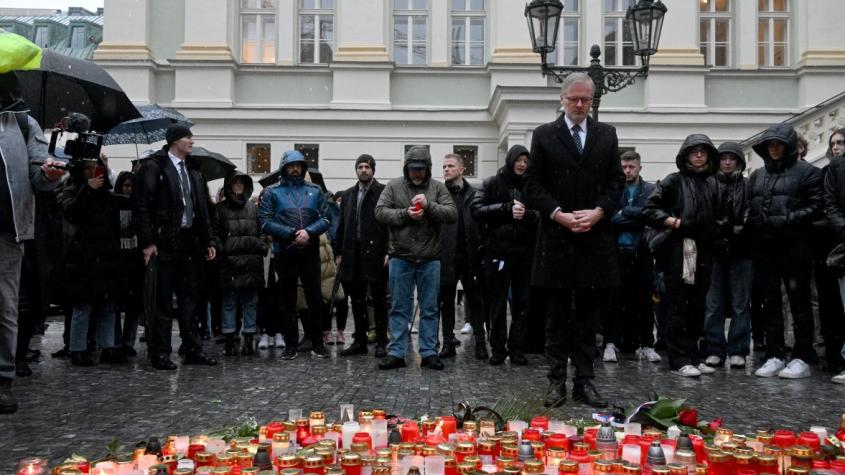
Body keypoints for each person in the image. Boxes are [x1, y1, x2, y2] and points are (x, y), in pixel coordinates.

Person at [524, 73, 624, 408]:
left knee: (587, 319)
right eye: (574, 99)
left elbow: (615, 184)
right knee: (556, 318)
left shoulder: (606, 135)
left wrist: (598, 212)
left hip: (593, 239)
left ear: (591, 100)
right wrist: (558, 214)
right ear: (562, 99)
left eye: (585, 100)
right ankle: (556, 381)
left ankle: (585, 381)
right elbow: (533, 185)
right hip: (557, 238)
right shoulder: (544, 135)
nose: (580, 105)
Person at [0, 72, 67, 413]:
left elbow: (40, 175)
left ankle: (3, 380)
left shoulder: (23, 123)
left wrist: (51, 174)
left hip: (7, 232)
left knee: (5, 308)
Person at [132, 124, 218, 370]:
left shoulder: (193, 171)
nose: (192, 141)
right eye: (187, 137)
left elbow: (202, 209)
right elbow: (142, 206)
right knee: (162, 301)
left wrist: (208, 240)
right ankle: (159, 351)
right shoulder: (154, 166)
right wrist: (148, 242)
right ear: (174, 141)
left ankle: (192, 347)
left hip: (189, 243)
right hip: (163, 243)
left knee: (190, 298)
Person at [747, 124, 822, 379]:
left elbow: (816, 206)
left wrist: (788, 219)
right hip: (764, 247)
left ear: (789, 146)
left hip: (794, 246)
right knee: (770, 302)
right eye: (770, 145)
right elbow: (749, 204)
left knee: (799, 302)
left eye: (779, 144)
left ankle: (801, 356)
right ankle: (774, 354)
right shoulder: (757, 175)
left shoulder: (808, 173)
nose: (774, 149)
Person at [375, 146, 457, 370]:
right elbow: (380, 212)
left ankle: (429, 353)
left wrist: (429, 206)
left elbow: (452, 214)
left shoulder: (437, 188)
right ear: (406, 168)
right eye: (413, 169)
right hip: (400, 257)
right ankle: (396, 352)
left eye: (421, 169)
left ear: (428, 169)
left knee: (430, 308)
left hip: (430, 258)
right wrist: (405, 214)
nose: (417, 173)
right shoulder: (393, 186)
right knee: (399, 307)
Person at [643, 134, 718, 378]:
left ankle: (694, 356)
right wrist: (674, 221)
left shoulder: (712, 182)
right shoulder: (673, 181)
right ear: (686, 154)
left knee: (698, 305)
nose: (698, 155)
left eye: (703, 151)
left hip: (705, 248)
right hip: (680, 249)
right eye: (694, 151)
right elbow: (650, 209)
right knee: (678, 304)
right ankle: (678, 359)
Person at [258, 150, 332, 359]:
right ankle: (291, 344)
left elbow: (326, 218)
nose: (295, 169)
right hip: (285, 252)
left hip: (310, 251)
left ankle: (318, 342)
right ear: (284, 168)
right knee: (287, 300)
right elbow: (264, 221)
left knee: (315, 298)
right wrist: (291, 233)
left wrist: (308, 232)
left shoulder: (315, 190)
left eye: (299, 165)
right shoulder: (273, 192)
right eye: (291, 166)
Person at [471, 145, 538, 364]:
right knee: (497, 302)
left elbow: (542, 214)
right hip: (498, 251)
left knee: (522, 302)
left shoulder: (532, 184)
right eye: (518, 160)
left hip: (524, 253)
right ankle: (498, 348)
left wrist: (526, 214)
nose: (522, 165)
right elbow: (477, 210)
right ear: (510, 161)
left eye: (525, 161)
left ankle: (517, 346)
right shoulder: (493, 182)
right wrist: (505, 208)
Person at [58, 158, 128, 367]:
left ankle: (107, 346)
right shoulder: (71, 192)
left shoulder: (106, 196)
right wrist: (86, 190)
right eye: (88, 169)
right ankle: (78, 348)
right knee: (83, 306)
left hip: (106, 257)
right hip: (83, 259)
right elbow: (72, 212)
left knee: (108, 305)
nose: (93, 172)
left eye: (95, 168)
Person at [701, 142, 752, 370]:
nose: (728, 162)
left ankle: (738, 349)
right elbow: (705, 213)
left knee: (741, 303)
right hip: (714, 250)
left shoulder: (747, 185)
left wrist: (739, 229)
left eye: (732, 158)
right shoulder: (709, 184)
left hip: (741, 250)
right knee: (714, 303)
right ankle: (714, 348)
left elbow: (751, 212)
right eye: (724, 158)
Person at [333, 155, 390, 358]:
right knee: (355, 300)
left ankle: (382, 340)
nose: (363, 170)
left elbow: (389, 225)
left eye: (367, 167)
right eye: (360, 167)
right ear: (356, 170)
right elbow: (341, 226)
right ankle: (360, 340)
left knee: (379, 299)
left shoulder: (383, 192)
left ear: (373, 169)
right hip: (352, 253)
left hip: (375, 253)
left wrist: (388, 251)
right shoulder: (348, 195)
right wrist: (338, 252)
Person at [606, 151, 659, 363]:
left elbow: (649, 215)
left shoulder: (649, 190)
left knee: (644, 301)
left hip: (642, 251)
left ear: (639, 168)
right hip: (617, 252)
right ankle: (611, 343)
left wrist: (624, 212)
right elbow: (609, 218)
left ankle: (646, 344)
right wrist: (634, 216)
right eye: (624, 167)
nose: (627, 171)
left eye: (631, 167)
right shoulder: (614, 189)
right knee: (614, 300)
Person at [213, 172, 268, 356]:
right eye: (234, 182)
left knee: (250, 302)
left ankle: (249, 338)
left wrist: (260, 245)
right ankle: (229, 340)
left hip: (251, 262)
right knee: (229, 303)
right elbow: (214, 234)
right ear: (228, 186)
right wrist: (223, 251)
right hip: (230, 264)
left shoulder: (253, 208)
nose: (238, 185)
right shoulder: (220, 209)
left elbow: (261, 231)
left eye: (241, 182)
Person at [438, 154, 486, 359]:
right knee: (446, 300)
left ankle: (480, 342)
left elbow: (482, 222)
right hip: (446, 256)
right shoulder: (439, 194)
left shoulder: (475, 194)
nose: (446, 169)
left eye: (451, 166)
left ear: (461, 169)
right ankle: (448, 341)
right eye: (444, 166)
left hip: (470, 255)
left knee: (475, 300)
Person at [821, 130, 845, 384]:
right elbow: (831, 203)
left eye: (841, 142)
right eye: (834, 143)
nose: (837, 147)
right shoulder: (835, 169)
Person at [112, 171, 143, 356]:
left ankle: (128, 341)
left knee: (134, 306)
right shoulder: (113, 205)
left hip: (135, 261)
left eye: (132, 186)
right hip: (118, 262)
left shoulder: (140, 206)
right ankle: (115, 341)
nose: (129, 190)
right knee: (115, 305)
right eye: (126, 186)